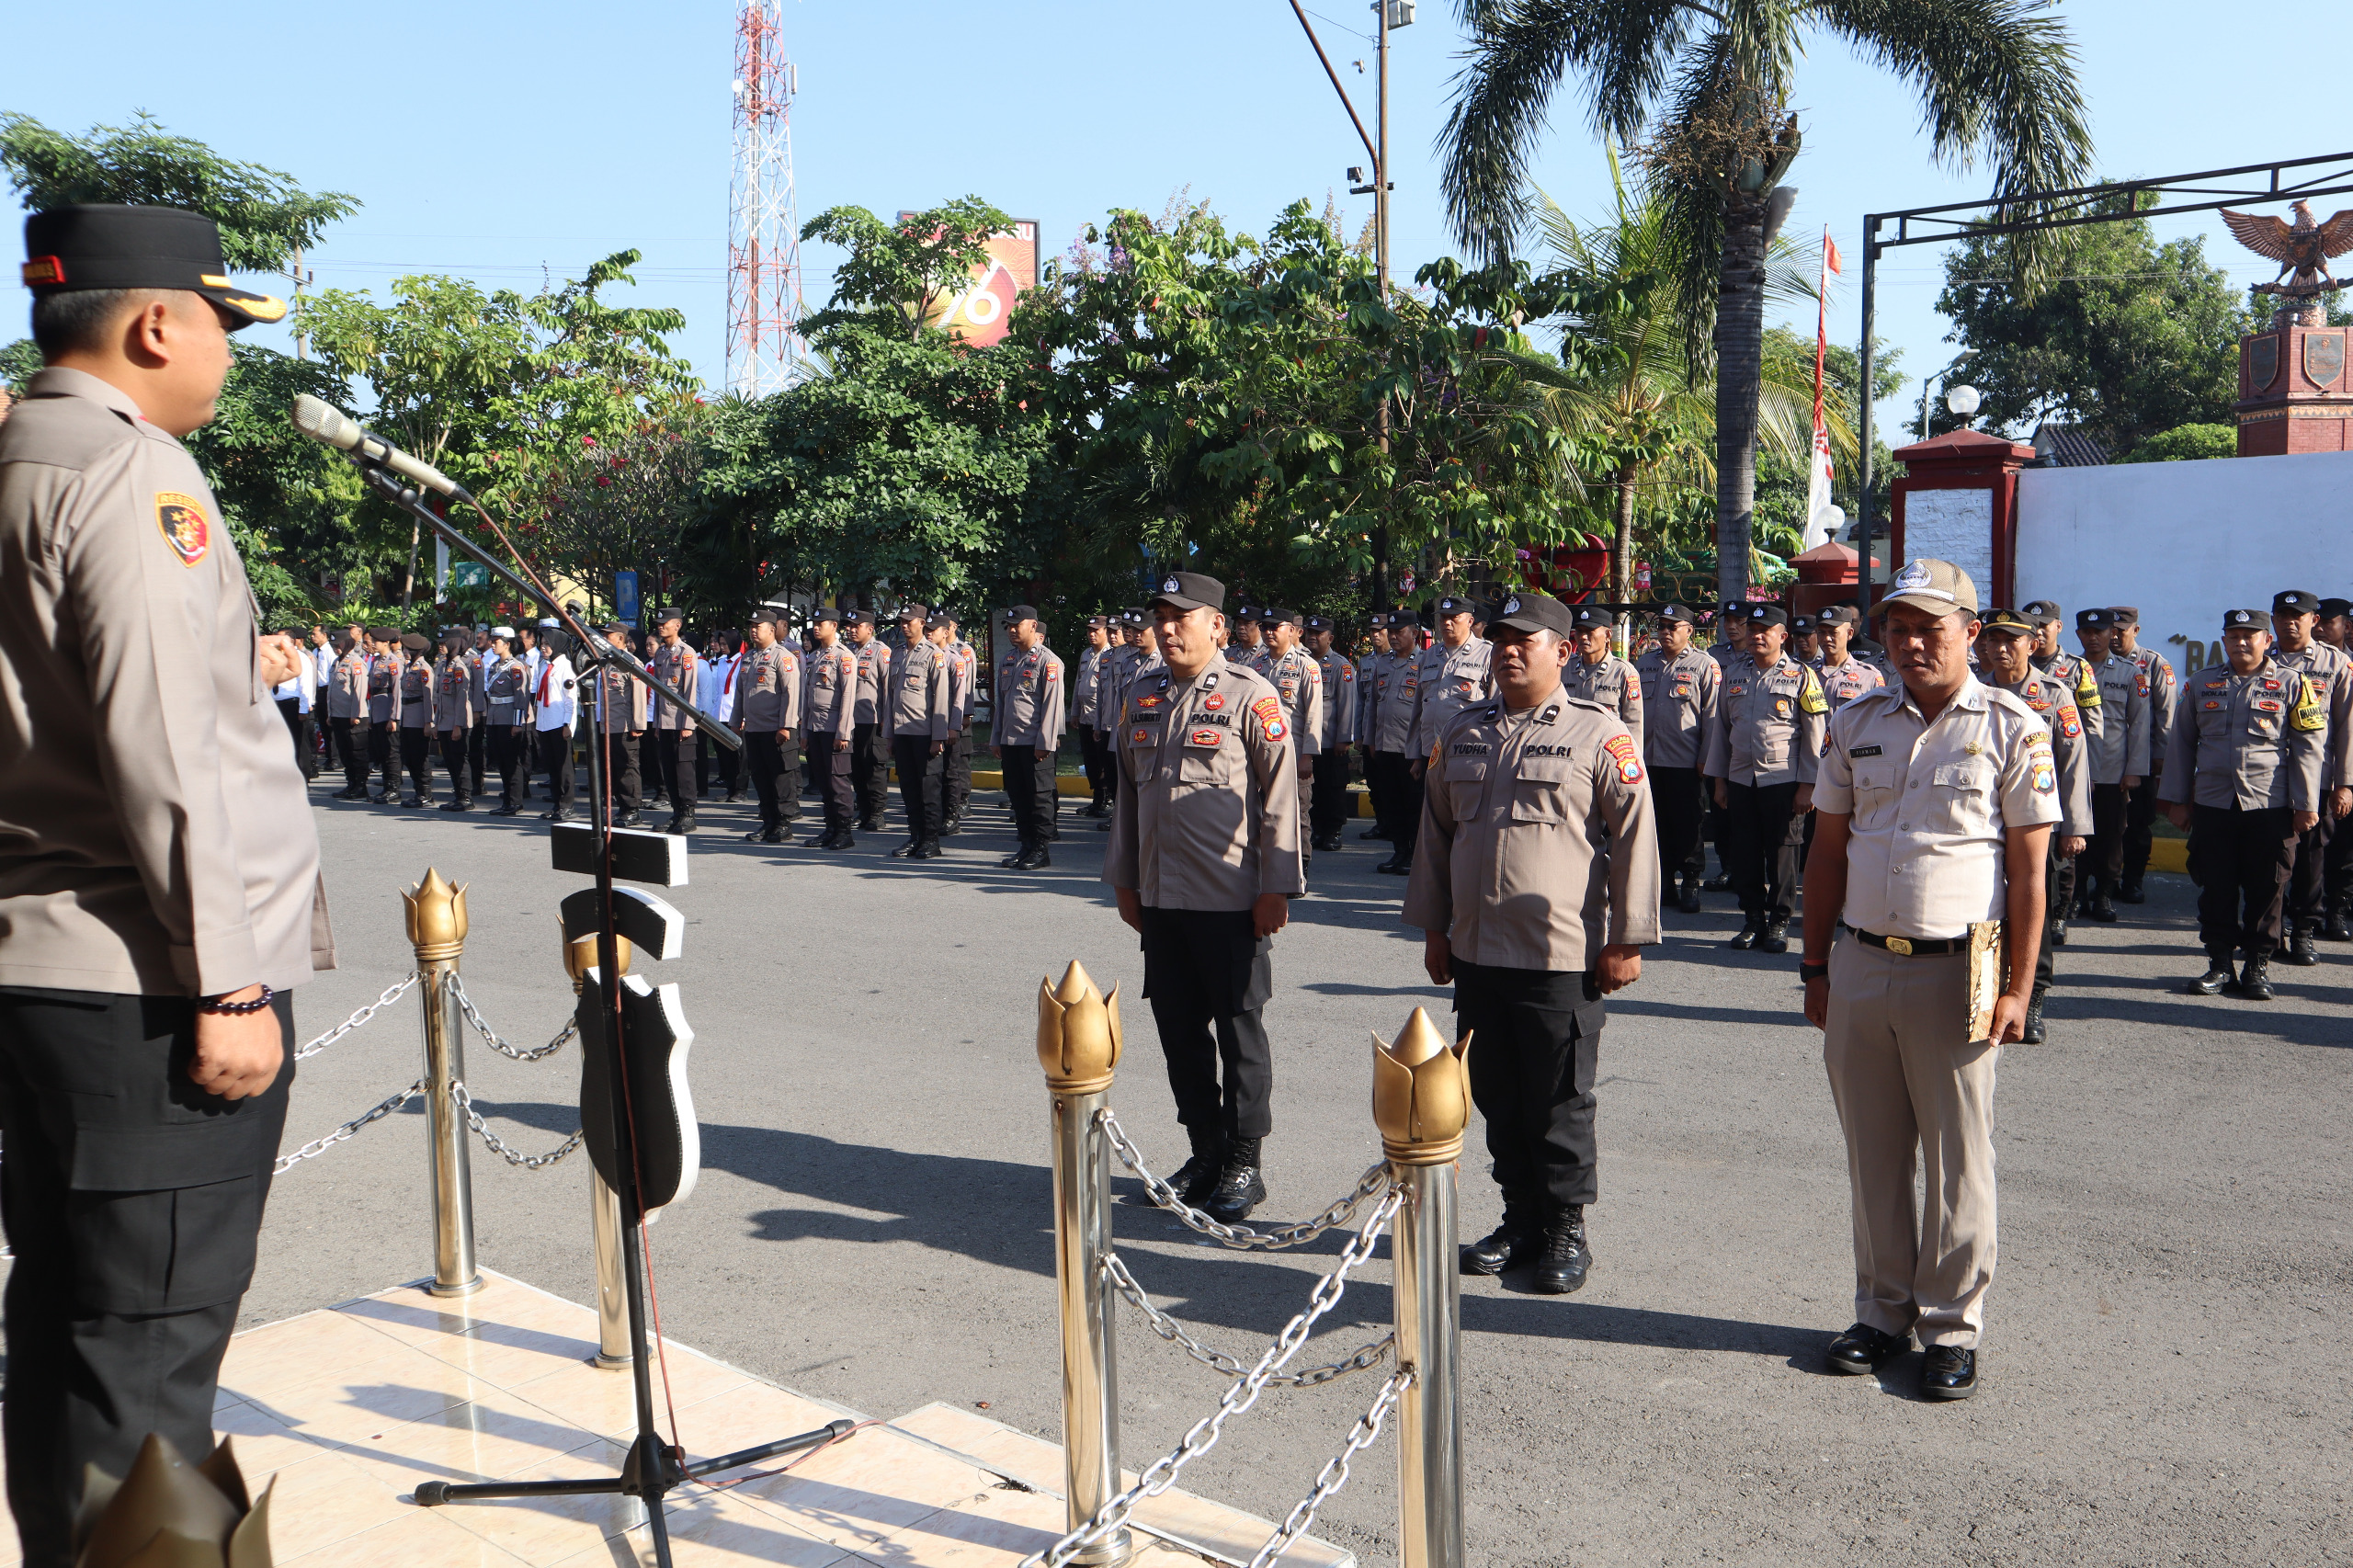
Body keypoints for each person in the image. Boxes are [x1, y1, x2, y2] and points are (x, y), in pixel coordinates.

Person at [0, 202, 335, 1565]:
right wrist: (231, 978)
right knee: (149, 1373)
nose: (230, 357)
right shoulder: (136, 478)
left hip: (39, 973)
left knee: (67, 1330)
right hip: (146, 988)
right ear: (154, 324)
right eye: (222, 327)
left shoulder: (17, 456)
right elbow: (164, 756)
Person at [1799, 559, 2055, 1403]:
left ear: (1971, 633)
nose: (1910, 642)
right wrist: (1814, 964)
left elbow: (2028, 874)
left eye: (1930, 627)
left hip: (1964, 966)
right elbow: (1828, 852)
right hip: (1862, 959)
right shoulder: (1855, 720)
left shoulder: (2016, 727)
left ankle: (1951, 1326)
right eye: (1898, 627)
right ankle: (1881, 1312)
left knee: (1958, 1160)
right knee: (1872, 1155)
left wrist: (2018, 989)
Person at [1402, 589, 1657, 1294]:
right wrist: (1434, 927)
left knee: (1559, 1099)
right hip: (1479, 951)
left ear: (1563, 652)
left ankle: (1565, 1228)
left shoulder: (1598, 733)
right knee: (1496, 1095)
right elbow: (1436, 836)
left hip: (1559, 954)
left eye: (1526, 640)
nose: (1509, 651)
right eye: (1502, 639)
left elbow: (1635, 836)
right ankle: (1520, 1220)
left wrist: (1628, 936)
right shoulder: (1463, 730)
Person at [1106, 573, 1301, 1222]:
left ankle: (1245, 1162)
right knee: (1179, 1033)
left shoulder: (1252, 695)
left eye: (1181, 617)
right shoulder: (1142, 694)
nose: (1167, 628)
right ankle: (1206, 1151)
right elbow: (1128, 799)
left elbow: (1279, 799)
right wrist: (1126, 881)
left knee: (1240, 1032)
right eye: (1160, 616)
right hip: (1162, 899)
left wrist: (1276, 886)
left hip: (1231, 899)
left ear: (1216, 626)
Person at [2162, 609, 2327, 1000]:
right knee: (2215, 886)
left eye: (2249, 635)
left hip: (2270, 804)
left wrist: (2306, 804)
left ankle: (2257, 966)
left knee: (2267, 888)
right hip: (2214, 804)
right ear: (2224, 640)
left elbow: (2308, 747)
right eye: (2232, 635)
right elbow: (2182, 744)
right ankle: (2220, 964)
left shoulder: (2292, 684)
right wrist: (2177, 801)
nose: (2240, 642)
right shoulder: (2202, 684)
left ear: (2266, 641)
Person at [1974, 609, 2093, 1044]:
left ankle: (2032, 998)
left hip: (2034, 822)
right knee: (1982, 909)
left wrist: (2074, 826)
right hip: (1981, 820)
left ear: (2033, 644)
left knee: (2032, 915)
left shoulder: (2055, 694)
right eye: (1993, 640)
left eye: (2011, 640)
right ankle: (1981, 994)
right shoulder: (1972, 690)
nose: (2001, 648)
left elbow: (2073, 762)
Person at [1705, 604, 1825, 953]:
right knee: (1744, 850)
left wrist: (1808, 785)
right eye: (1753, 628)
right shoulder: (1734, 675)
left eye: (1765, 630)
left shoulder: (1802, 676)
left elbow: (1815, 735)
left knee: (1783, 852)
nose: (1757, 635)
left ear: (1782, 637)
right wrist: (1719, 780)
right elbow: (1721, 731)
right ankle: (1753, 918)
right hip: (1742, 778)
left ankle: (1780, 920)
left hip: (1783, 780)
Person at [2265, 590, 2353, 965]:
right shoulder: (2259, 659)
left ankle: (2303, 930)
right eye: (2282, 615)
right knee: (2270, 859)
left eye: (2297, 615)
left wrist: (2345, 782)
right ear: (2272, 620)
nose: (2289, 621)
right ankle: (2271, 929)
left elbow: (2348, 727)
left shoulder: (2335, 663)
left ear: (2313, 620)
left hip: (2318, 779)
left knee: (2311, 859)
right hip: (2268, 781)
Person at [2019, 600, 2102, 947]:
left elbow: (2091, 725)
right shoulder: (2000, 671)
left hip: (2057, 775)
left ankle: (2059, 913)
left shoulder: (2077, 669)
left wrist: (2090, 775)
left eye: (2045, 623)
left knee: (2060, 859)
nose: (2039, 629)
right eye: (2033, 624)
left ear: (2058, 627)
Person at [1636, 604, 1720, 913]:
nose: (1666, 632)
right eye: (1662, 626)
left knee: (1688, 823)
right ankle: (1664, 881)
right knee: (1655, 823)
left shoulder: (1704, 665)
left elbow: (1712, 717)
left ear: (1689, 631)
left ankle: (1691, 881)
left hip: (1686, 761)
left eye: (1674, 626)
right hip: (1648, 760)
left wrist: (1705, 759)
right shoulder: (1644, 663)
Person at [2070, 608, 2148, 921]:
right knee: (2075, 835)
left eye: (2100, 631)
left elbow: (2140, 724)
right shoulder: (2067, 671)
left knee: (2110, 836)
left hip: (2113, 771)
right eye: (2086, 632)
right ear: (2077, 635)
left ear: (2111, 634)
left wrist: (2134, 770)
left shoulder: (2130, 674)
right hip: (2075, 769)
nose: (2093, 637)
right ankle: (2074, 895)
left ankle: (2103, 894)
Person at [2107, 607, 2176, 904]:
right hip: (2106, 757)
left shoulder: (2154, 664)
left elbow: (2166, 714)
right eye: (2110, 630)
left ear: (2135, 630)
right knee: (2107, 824)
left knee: (2137, 825)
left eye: (2120, 631)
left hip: (2143, 759)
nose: (2114, 636)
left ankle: (2133, 881)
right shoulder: (2096, 663)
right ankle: (2104, 883)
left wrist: (2161, 758)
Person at [993, 606, 1066, 869]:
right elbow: (1001, 704)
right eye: (1009, 626)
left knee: (1040, 797)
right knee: (1018, 796)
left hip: (1035, 744)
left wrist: (1044, 742)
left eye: (1017, 625)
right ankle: (1025, 845)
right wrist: (996, 738)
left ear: (1033, 626)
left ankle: (1041, 849)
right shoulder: (1008, 660)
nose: (1012, 630)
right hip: (1011, 742)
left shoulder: (1049, 661)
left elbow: (1052, 706)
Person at [883, 605, 951, 858]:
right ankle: (915, 836)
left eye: (908, 621)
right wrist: (889, 734)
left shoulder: (933, 655)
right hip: (902, 733)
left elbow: (941, 698)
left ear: (922, 623)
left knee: (928, 791)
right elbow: (890, 698)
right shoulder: (898, 654)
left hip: (925, 734)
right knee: (909, 789)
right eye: (901, 621)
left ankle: (931, 840)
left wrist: (938, 737)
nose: (904, 625)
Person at [1263, 610, 1324, 869]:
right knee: (1263, 812)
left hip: (1295, 752)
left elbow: (1313, 714)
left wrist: (1307, 756)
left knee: (1298, 813)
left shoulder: (1306, 665)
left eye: (1274, 627)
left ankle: (1301, 866)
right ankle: (1268, 867)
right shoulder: (1255, 664)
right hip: (1263, 753)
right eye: (1264, 627)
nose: (1268, 632)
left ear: (1291, 630)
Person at [737, 613, 802, 845]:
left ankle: (784, 823)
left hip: (776, 729)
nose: (753, 630)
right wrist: (737, 721)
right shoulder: (749, 657)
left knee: (781, 776)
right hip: (754, 729)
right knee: (761, 776)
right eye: (751, 626)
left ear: (772, 630)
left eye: (758, 626)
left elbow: (791, 693)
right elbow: (740, 693)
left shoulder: (783, 657)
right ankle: (768, 820)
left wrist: (786, 725)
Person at [800, 607, 859, 849]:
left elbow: (848, 696)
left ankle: (844, 831)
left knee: (838, 782)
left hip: (835, 729)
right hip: (815, 727)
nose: (816, 627)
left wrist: (843, 732)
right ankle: (830, 828)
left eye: (821, 623)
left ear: (834, 626)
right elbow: (807, 697)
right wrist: (804, 731)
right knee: (824, 782)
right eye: (815, 622)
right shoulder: (814, 656)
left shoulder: (844, 657)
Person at [646, 608, 703, 835]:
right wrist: (658, 723)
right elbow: (660, 691)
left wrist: (688, 724)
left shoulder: (687, 653)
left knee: (683, 770)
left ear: (677, 625)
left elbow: (689, 692)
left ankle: (688, 814)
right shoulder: (660, 653)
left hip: (681, 721)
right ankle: (677, 812)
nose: (660, 626)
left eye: (664, 623)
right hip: (665, 721)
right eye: (658, 623)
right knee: (668, 769)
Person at [1306, 614, 1358, 852]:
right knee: (1313, 789)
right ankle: (1317, 830)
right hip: (1309, 742)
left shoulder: (1341, 666)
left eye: (1319, 634)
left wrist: (1344, 738)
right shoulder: (1303, 662)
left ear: (1330, 638)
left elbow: (1347, 704)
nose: (1313, 637)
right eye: (1310, 633)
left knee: (1333, 789)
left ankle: (1334, 831)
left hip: (1330, 740)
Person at [1562, 605, 1643, 750]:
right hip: (1571, 750)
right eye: (1579, 631)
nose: (1583, 637)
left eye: (1590, 631)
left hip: (1607, 753)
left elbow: (1633, 723)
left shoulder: (1622, 672)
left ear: (1608, 635)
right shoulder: (1565, 669)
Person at [2320, 596, 2353, 937]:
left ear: (2346, 626)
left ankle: (2337, 910)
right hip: (2314, 770)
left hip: (2348, 768)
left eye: (2328, 623)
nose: (2321, 628)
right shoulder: (2303, 664)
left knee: (2344, 845)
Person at [846, 609, 891, 831]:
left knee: (874, 766)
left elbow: (887, 688)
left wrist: (886, 718)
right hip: (852, 721)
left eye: (856, 626)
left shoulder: (881, 652)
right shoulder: (849, 652)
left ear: (869, 629)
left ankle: (877, 812)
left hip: (874, 720)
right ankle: (863, 810)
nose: (851, 630)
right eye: (849, 626)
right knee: (856, 768)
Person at [936, 610, 978, 835]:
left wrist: (966, 714)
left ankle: (963, 799)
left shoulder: (963, 652)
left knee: (960, 760)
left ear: (953, 626)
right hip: (938, 719)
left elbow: (967, 687)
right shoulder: (933, 653)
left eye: (949, 624)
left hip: (958, 712)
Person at [532, 630, 579, 823]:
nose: (543, 647)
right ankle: (556, 802)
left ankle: (567, 804)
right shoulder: (544, 665)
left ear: (557, 644)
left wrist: (568, 724)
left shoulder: (565, 667)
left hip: (559, 722)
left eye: (547, 643)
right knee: (551, 765)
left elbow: (570, 700)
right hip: (545, 722)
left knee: (564, 766)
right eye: (541, 643)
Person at [483, 627, 530, 815]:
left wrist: (517, 723)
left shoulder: (516, 667)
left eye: (496, 642)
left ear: (507, 644)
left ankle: (515, 802)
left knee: (511, 762)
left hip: (509, 719)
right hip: (495, 719)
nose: (493, 645)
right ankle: (507, 799)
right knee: (501, 762)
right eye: (492, 641)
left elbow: (521, 697)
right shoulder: (495, 666)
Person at [1074, 615, 1115, 817]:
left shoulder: (1111, 655)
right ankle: (1097, 798)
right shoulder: (1086, 654)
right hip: (1085, 717)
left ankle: (1108, 799)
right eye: (1089, 630)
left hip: (1102, 717)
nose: (1091, 634)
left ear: (1106, 632)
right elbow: (1078, 685)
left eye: (1096, 630)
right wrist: (1074, 711)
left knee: (1104, 761)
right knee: (1090, 761)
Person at [433, 633, 475, 812]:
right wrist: (436, 722)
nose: (441, 646)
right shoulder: (443, 665)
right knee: (450, 761)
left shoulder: (459, 668)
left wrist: (458, 725)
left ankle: (466, 797)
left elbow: (461, 699)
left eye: (444, 643)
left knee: (459, 760)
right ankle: (458, 794)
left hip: (457, 722)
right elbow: (439, 698)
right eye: (440, 643)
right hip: (444, 721)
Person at [394, 631, 438, 806]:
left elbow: (428, 697)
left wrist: (429, 722)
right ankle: (417, 790)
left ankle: (425, 793)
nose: (404, 651)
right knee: (408, 755)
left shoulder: (424, 668)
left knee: (420, 756)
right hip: (407, 716)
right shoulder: (409, 667)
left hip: (419, 717)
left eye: (407, 648)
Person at [271, 628, 317, 780]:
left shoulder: (301, 657)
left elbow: (306, 684)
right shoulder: (276, 657)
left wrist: (303, 709)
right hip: (276, 703)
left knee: (298, 741)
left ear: (290, 641)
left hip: (292, 703)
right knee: (280, 741)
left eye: (279, 639)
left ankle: (302, 776)